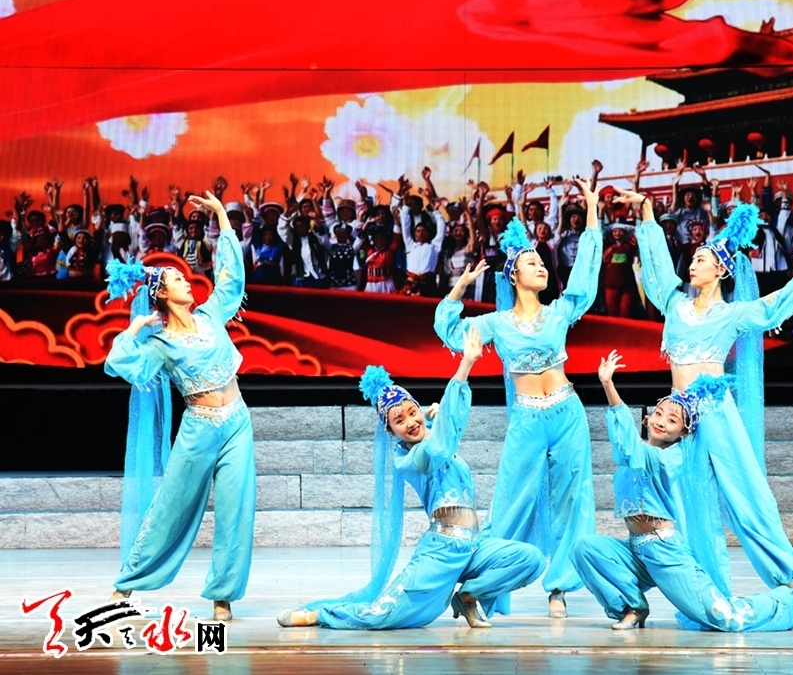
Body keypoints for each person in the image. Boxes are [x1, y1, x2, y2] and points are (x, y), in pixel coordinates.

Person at [620, 185, 793, 598]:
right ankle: (703, 590)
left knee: (747, 493)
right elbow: (659, 267)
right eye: (693, 259)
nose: (692, 264)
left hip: (714, 411)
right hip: (677, 418)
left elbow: (775, 305)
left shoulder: (733, 313)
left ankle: (789, 584)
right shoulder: (674, 305)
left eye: (701, 260)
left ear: (720, 270)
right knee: (687, 502)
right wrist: (646, 212)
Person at [276, 329, 545, 630]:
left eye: (411, 412)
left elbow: (444, 429)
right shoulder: (408, 459)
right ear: (391, 431)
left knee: (531, 559)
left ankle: (468, 596)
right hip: (441, 552)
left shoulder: (432, 434)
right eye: (399, 421)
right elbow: (438, 447)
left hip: (473, 546)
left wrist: (432, 417)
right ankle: (320, 615)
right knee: (384, 614)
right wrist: (466, 364)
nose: (410, 422)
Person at [434, 177, 602, 618]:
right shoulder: (497, 322)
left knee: (572, 498)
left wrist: (592, 212)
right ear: (514, 275)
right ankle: (483, 589)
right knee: (511, 501)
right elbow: (449, 331)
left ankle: (559, 587)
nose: (541, 267)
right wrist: (459, 287)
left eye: (542, 262)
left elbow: (585, 278)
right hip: (527, 417)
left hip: (566, 410)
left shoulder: (559, 311)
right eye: (531, 263)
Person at [572, 350, 793, 632]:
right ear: (647, 419)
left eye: (672, 420)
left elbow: (632, 450)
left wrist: (609, 387)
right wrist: (608, 386)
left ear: (683, 433)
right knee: (585, 548)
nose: (662, 421)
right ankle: (633, 607)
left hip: (665, 551)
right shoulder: (633, 454)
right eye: (659, 414)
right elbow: (625, 447)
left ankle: (789, 600)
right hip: (636, 549)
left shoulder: (672, 458)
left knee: (725, 618)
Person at [103, 190, 255, 622]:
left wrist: (222, 217)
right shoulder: (161, 343)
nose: (186, 281)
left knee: (236, 508)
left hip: (237, 422)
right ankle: (128, 581)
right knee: (172, 506)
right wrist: (134, 328)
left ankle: (222, 595)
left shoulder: (211, 315)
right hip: (199, 429)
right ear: (163, 294)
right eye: (176, 279)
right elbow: (120, 364)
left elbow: (231, 278)